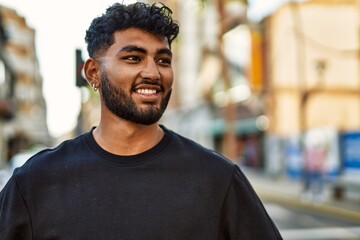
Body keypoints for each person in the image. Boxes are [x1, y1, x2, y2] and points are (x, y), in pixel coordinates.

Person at [0, 2, 282, 239]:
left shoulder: (217, 179)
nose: (153, 73)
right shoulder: (35, 182)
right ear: (93, 73)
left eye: (163, 60)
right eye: (134, 58)